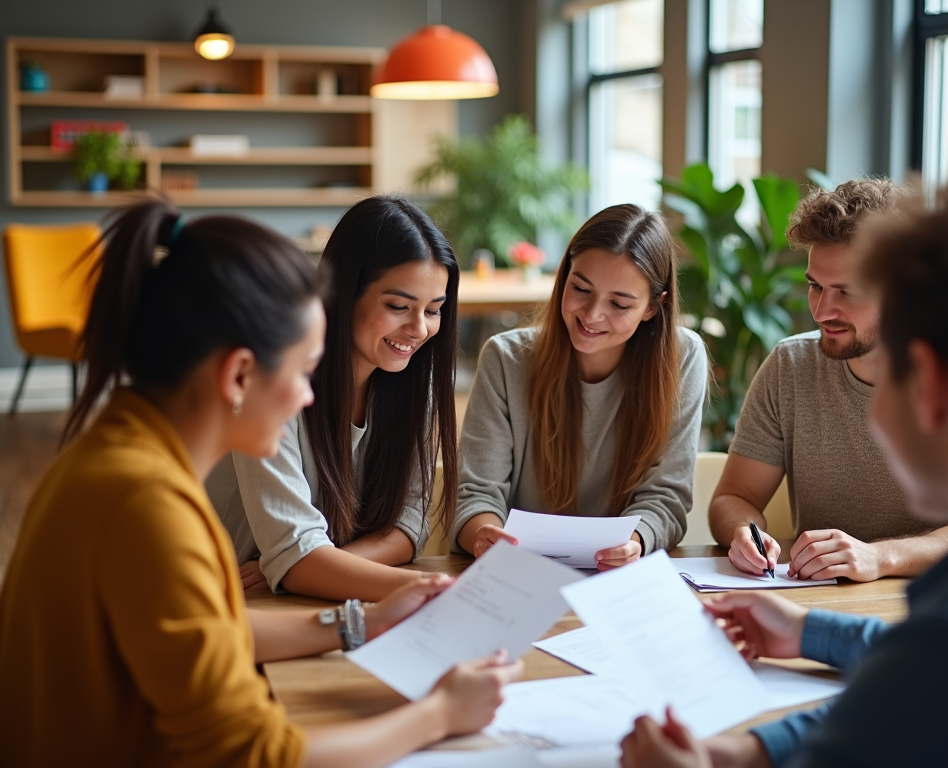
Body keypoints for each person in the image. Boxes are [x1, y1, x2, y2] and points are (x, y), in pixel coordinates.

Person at [0, 199, 520, 767]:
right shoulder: (148, 506)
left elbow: (214, 633)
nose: (307, 395)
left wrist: (361, 621)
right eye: (302, 371)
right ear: (239, 376)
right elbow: (254, 756)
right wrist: (439, 714)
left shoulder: (124, 454)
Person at [621, 165, 948, 767]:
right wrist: (755, 738)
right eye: (815, 286)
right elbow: (903, 686)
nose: (822, 309)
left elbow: (923, 678)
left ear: (931, 385)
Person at [709, 178, 948, 582]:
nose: (822, 310)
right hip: (817, 603)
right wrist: (744, 531)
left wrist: (881, 557)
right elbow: (734, 497)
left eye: (847, 291)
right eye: (815, 286)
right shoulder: (789, 366)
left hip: (939, 606)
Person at [207, 195, 459, 601]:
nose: (418, 329)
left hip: (313, 597)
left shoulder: (413, 382)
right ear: (342, 292)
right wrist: (436, 590)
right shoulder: (273, 384)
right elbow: (298, 559)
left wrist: (320, 563)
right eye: (398, 306)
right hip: (235, 601)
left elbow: (409, 527)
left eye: (433, 310)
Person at [454, 204, 707, 568]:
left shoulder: (682, 358)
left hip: (619, 578)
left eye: (619, 304)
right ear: (563, 276)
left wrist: (635, 542)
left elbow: (665, 496)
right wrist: (485, 535)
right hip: (517, 573)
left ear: (653, 307)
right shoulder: (505, 359)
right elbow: (477, 495)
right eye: (581, 289)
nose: (591, 315)